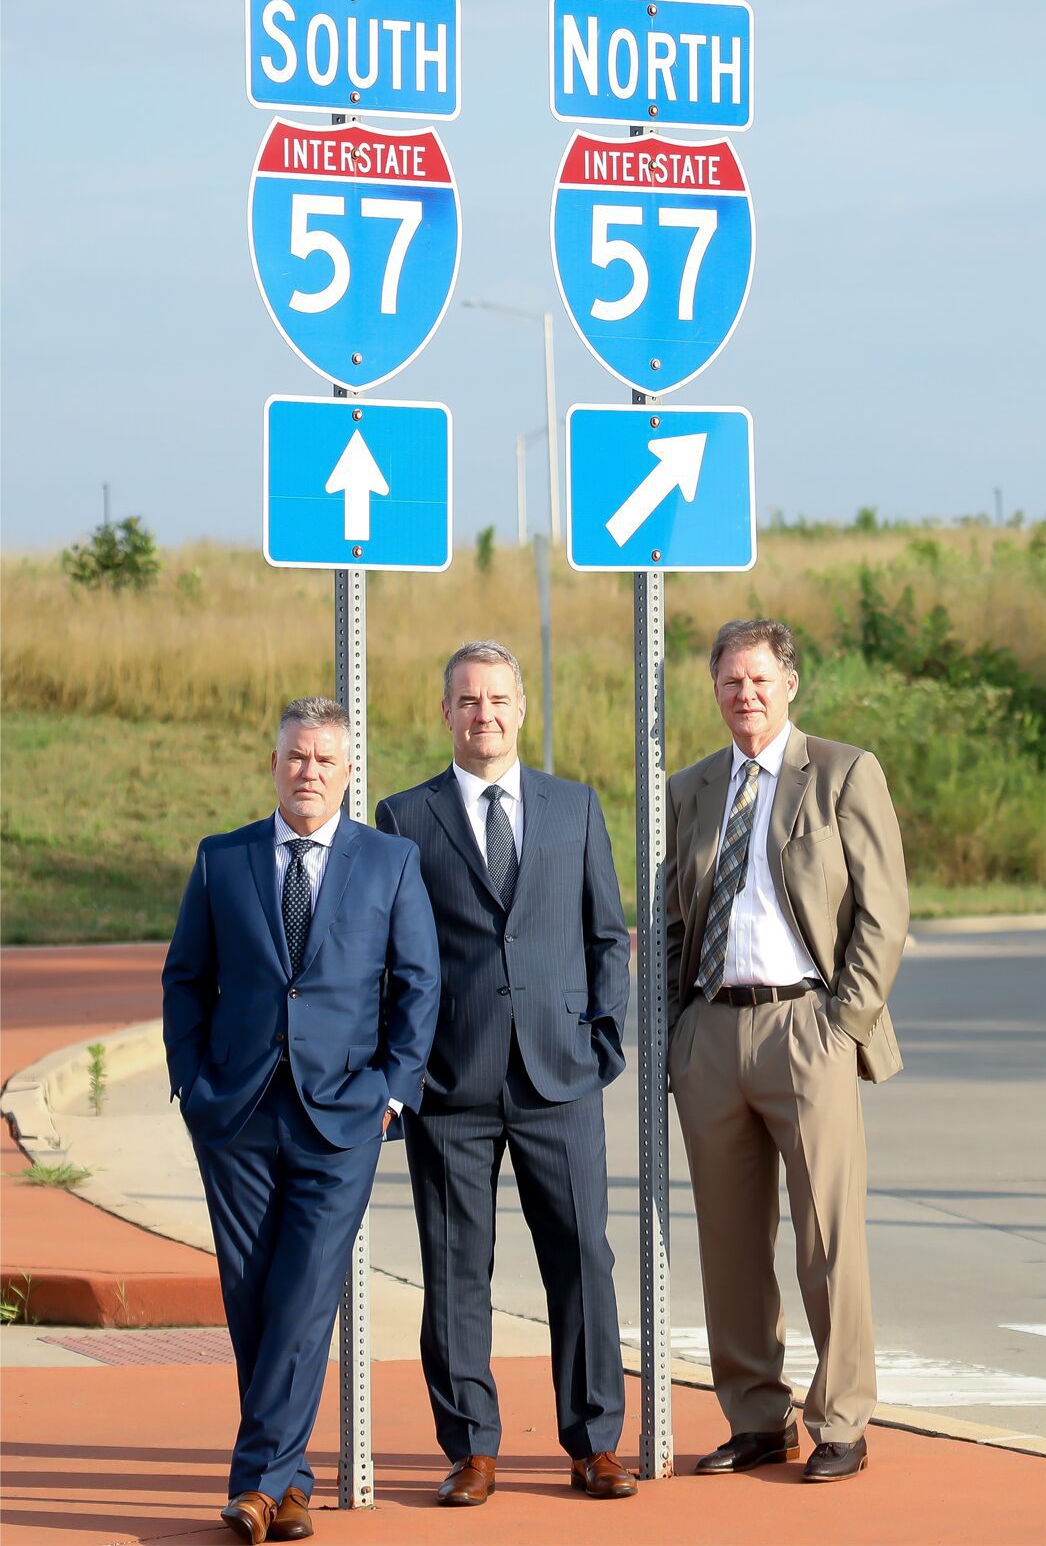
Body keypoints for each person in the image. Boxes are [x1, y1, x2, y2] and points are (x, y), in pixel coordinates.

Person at [163, 697, 440, 1544]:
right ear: (274, 763)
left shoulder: (390, 862)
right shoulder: (223, 859)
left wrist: (391, 1092)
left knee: (306, 1290)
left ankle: (254, 1483)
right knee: (250, 1293)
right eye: (295, 756)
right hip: (236, 1115)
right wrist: (193, 1086)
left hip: (344, 1116)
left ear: (349, 770)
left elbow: (419, 983)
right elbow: (185, 979)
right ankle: (290, 1485)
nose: (308, 770)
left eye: (324, 758)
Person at [375, 640, 637, 1505]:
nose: (482, 714)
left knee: (582, 1259)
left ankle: (595, 1440)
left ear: (521, 708)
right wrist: (404, 1071)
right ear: (444, 712)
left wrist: (603, 1039)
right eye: (466, 700)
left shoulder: (575, 808)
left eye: (496, 699)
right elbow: (394, 956)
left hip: (561, 1075)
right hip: (452, 1082)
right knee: (455, 1267)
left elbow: (607, 934)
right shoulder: (404, 816)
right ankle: (471, 1447)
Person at [666, 619, 907, 1484]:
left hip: (807, 1026)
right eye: (731, 681)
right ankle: (756, 1417)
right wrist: (673, 1035)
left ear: (790, 684)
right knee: (729, 1245)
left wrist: (842, 1024)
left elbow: (885, 914)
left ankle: (841, 1418)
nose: (746, 694)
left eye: (761, 679)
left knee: (827, 1236)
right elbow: (669, 922)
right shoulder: (690, 789)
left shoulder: (842, 772)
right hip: (712, 1032)